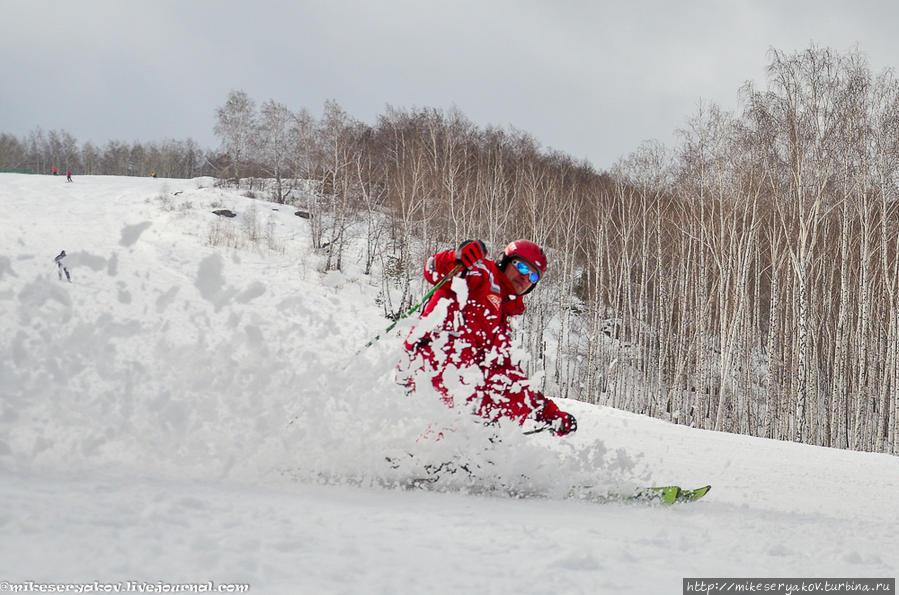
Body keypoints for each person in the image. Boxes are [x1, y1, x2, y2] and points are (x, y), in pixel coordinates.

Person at [400, 239, 577, 437]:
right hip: (431, 359)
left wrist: (550, 414)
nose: (525, 277)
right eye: (520, 266)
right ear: (505, 260)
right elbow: (434, 270)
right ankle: (438, 451)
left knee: (513, 391)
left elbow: (509, 376)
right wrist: (457, 258)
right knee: (463, 378)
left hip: (459, 377)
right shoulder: (484, 274)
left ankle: (485, 453)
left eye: (533, 275)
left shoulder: (501, 322)